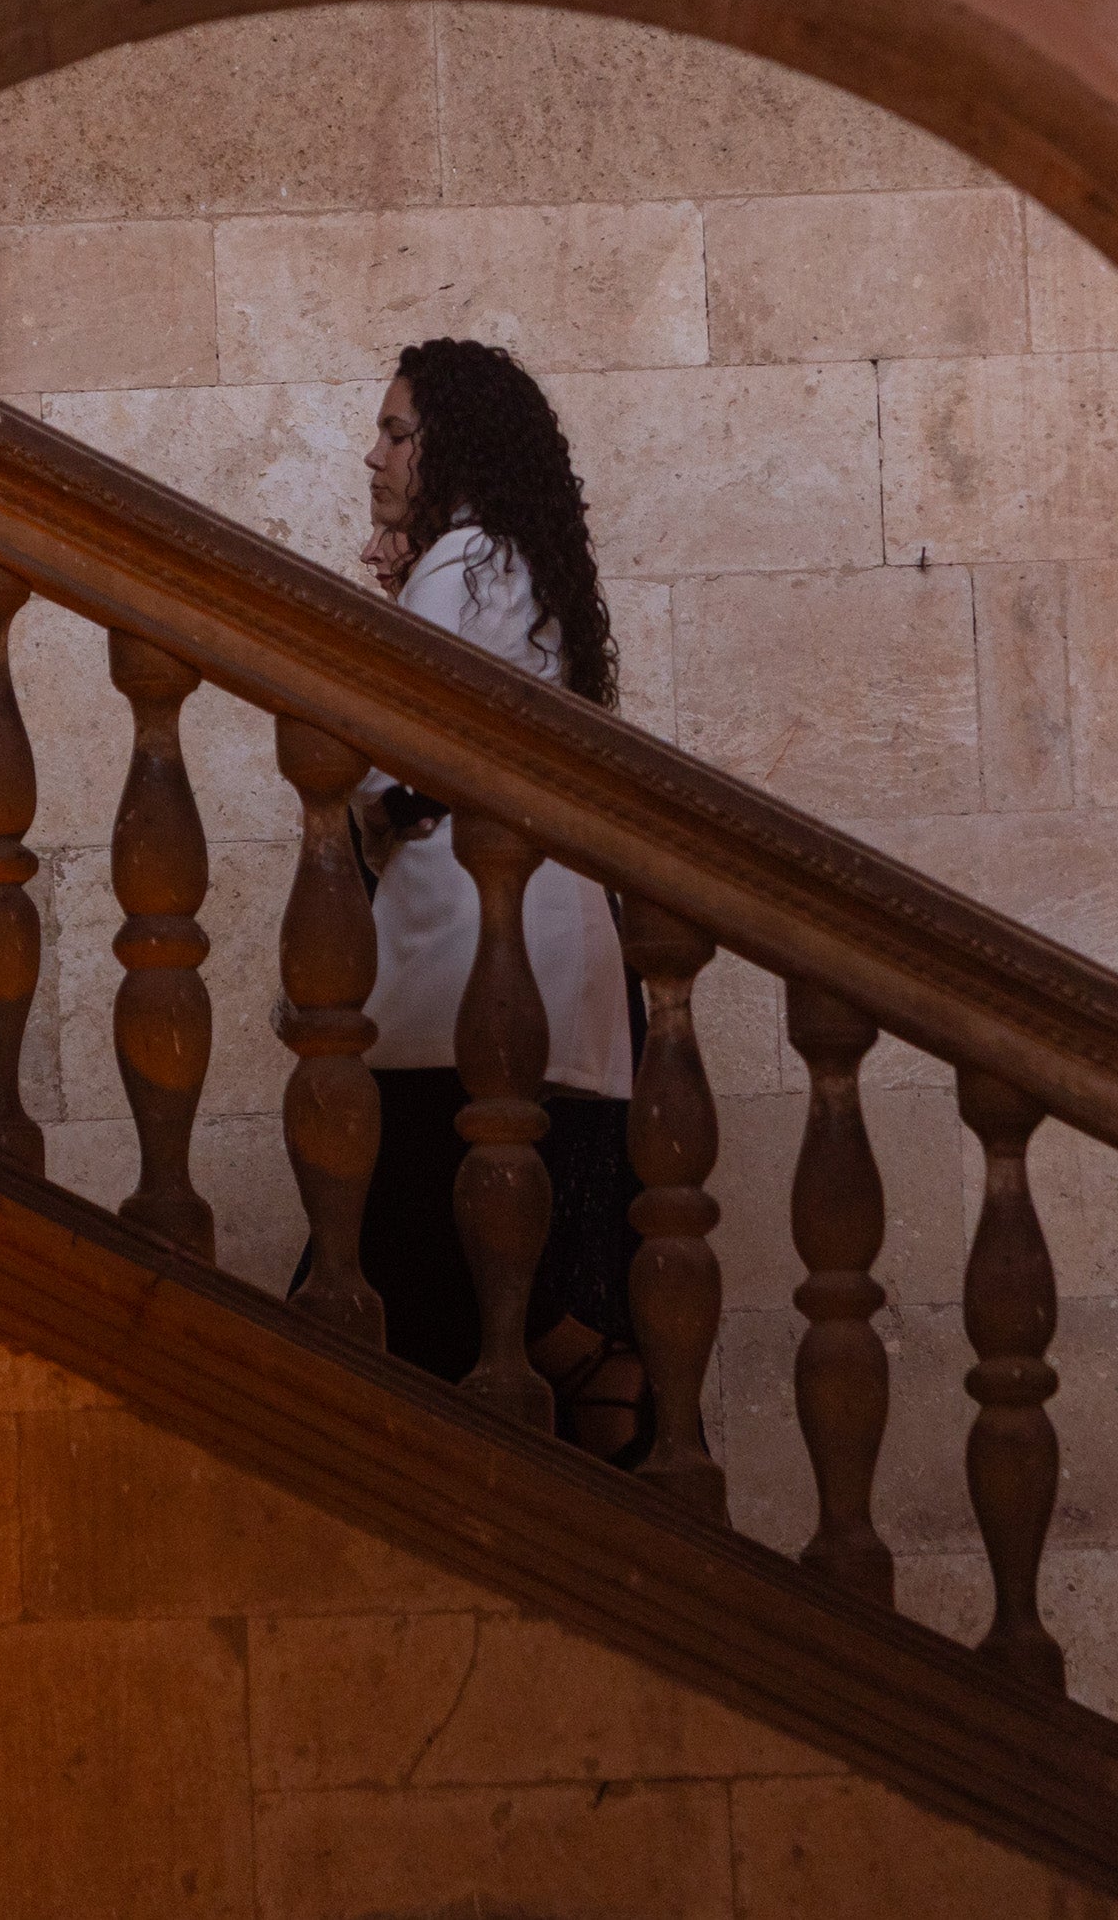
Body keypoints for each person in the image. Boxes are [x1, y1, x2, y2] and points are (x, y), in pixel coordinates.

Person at [341, 337, 653, 1461]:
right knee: (481, 1263)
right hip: (504, 955)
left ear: (451, 443)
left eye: (395, 432)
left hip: (478, 963)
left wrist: (387, 621)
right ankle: (600, 1380)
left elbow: (378, 767)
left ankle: (604, 1377)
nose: (373, 455)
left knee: (433, 1264)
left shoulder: (469, 560)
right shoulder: (495, 561)